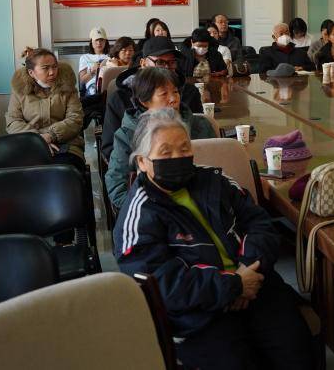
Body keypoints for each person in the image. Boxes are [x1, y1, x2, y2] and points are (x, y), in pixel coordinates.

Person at [114, 109, 313, 370]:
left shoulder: (215, 180)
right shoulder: (138, 214)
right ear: (142, 162)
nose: (178, 157)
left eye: (184, 148)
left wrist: (248, 272)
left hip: (255, 285)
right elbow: (163, 284)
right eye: (165, 152)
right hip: (199, 313)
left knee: (296, 350)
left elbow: (260, 224)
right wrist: (232, 285)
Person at [105, 68, 216, 209]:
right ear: (144, 101)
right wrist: (145, 210)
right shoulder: (128, 135)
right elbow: (117, 186)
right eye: (164, 94)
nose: (173, 99)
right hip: (155, 210)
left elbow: (218, 169)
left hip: (205, 204)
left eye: (175, 92)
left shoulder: (201, 125)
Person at [101, 37, 203, 161]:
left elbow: (200, 137)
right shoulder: (120, 98)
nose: (165, 68)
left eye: (171, 63)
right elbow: (109, 148)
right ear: (143, 63)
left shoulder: (188, 93)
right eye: (159, 62)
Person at [6, 48, 85, 168]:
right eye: (45, 68)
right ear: (31, 72)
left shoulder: (67, 87)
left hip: (65, 145)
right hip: (28, 145)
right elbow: (13, 122)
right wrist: (38, 139)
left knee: (64, 172)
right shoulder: (20, 91)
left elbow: (75, 119)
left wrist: (50, 135)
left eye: (54, 67)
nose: (52, 72)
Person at [78, 27, 109, 96]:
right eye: (96, 40)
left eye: (101, 40)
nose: (99, 43)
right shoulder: (85, 57)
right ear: (91, 41)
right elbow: (83, 81)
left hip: (107, 85)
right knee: (94, 92)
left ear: (105, 41)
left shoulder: (110, 57)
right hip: (93, 86)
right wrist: (93, 71)